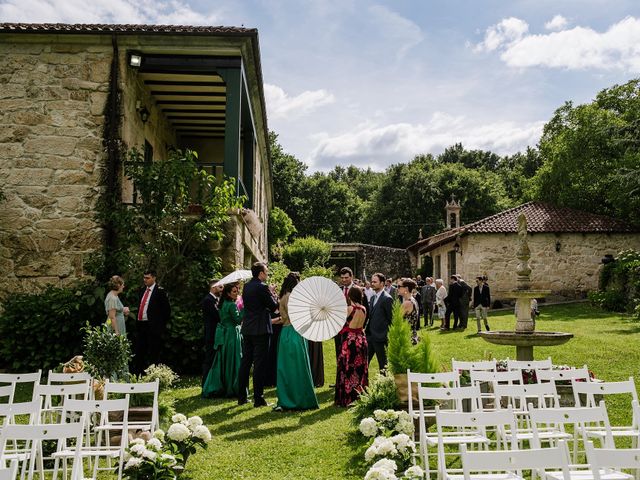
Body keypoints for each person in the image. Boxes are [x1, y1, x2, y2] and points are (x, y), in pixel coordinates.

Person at [274, 272, 318, 411]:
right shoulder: (293, 297)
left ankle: (286, 399)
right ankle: (300, 400)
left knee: (286, 369)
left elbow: (284, 317)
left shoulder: (283, 296)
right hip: (295, 333)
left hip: (286, 333)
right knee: (298, 368)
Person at [237, 262, 279, 407]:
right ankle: (259, 399)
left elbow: (254, 304)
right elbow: (273, 306)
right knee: (259, 365)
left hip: (248, 328)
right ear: (261, 273)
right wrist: (272, 293)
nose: (267, 274)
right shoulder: (262, 287)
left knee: (245, 362)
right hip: (260, 329)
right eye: (266, 272)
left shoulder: (247, 286)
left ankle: (241, 397)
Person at [202, 283, 243, 398]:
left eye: (237, 291)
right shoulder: (231, 305)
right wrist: (244, 309)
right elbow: (238, 320)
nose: (237, 293)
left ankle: (223, 386)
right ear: (228, 293)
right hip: (231, 334)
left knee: (223, 359)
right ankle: (232, 387)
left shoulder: (222, 303)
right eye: (234, 291)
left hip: (224, 334)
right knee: (232, 359)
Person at [335, 286, 368, 407]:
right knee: (360, 368)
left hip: (350, 341)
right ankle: (359, 395)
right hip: (361, 340)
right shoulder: (363, 308)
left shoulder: (349, 308)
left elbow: (339, 323)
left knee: (347, 368)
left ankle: (346, 398)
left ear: (350, 296)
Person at [135, 269, 170, 373]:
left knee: (154, 351)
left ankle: (154, 374)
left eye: (147, 278)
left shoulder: (160, 291)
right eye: (144, 277)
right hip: (142, 324)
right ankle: (139, 373)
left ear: (154, 278)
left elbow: (166, 310)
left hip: (153, 326)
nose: (145, 280)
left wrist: (159, 325)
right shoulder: (142, 290)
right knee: (140, 350)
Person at [366, 272, 393, 370]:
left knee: (383, 365)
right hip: (370, 336)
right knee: (364, 362)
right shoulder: (373, 298)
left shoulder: (387, 299)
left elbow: (391, 319)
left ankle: (384, 384)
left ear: (382, 283)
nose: (372, 283)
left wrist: (386, 336)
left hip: (381, 338)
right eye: (372, 281)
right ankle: (362, 384)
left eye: (375, 282)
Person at [201, 279, 223, 386]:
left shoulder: (216, 299)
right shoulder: (208, 300)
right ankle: (205, 382)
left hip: (217, 333)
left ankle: (213, 382)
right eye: (220, 287)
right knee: (209, 358)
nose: (221, 289)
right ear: (213, 287)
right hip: (211, 334)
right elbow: (217, 315)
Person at [264, 283, 282, 388]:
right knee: (270, 355)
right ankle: (269, 379)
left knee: (276, 355)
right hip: (271, 331)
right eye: (273, 292)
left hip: (278, 331)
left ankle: (275, 378)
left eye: (275, 292)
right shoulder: (268, 305)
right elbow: (269, 320)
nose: (275, 294)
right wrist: (279, 319)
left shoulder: (277, 301)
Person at [398, 278, 419, 344]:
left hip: (407, 338)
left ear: (406, 288)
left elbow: (396, 320)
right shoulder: (413, 300)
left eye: (399, 287)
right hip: (412, 335)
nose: (397, 289)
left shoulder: (407, 303)